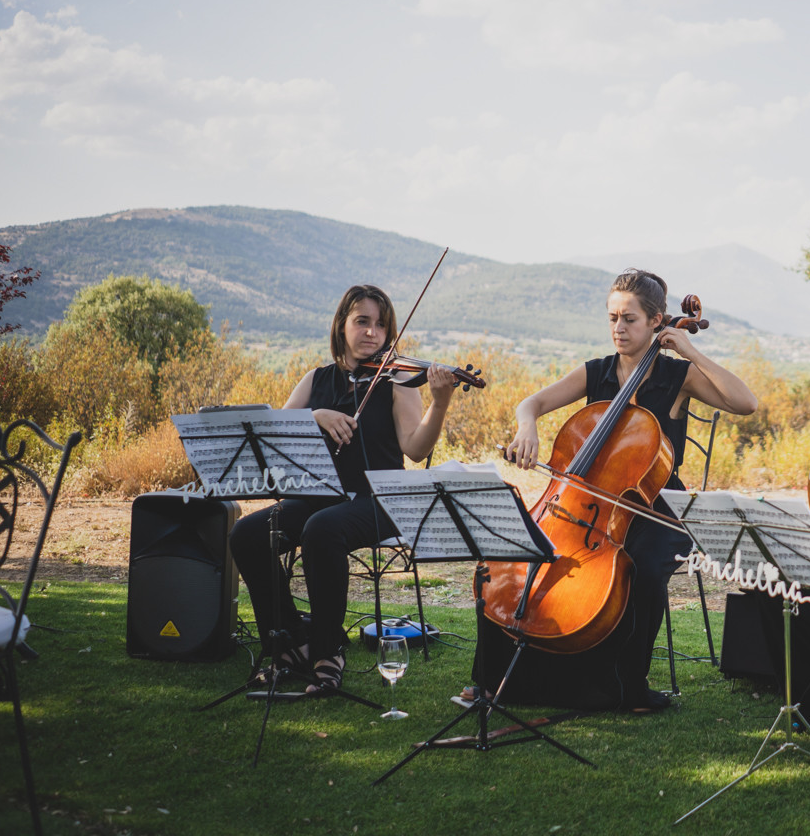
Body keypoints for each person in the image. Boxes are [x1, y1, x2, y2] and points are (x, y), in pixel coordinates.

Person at [474, 268, 758, 713]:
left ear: (655, 322)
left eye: (629, 319)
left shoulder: (677, 377)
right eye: (612, 318)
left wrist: (690, 349)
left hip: (660, 507)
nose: (618, 329)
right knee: (511, 551)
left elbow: (746, 403)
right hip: (585, 503)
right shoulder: (596, 372)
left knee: (642, 569)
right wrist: (526, 426)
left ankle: (627, 688)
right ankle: (499, 681)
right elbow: (532, 403)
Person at [229, 284, 457, 695]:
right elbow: (273, 434)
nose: (372, 332)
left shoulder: (400, 381)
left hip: (380, 500)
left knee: (322, 529)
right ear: (342, 326)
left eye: (381, 325)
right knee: (246, 534)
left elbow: (415, 446)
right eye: (362, 321)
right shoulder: (316, 380)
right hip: (320, 497)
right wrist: (314, 415)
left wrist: (439, 402)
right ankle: (289, 645)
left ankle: (328, 652)